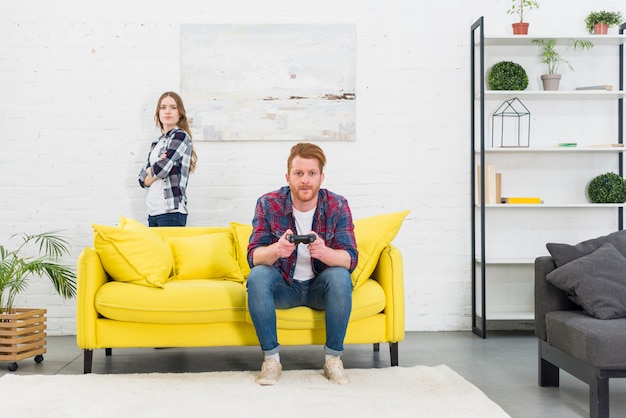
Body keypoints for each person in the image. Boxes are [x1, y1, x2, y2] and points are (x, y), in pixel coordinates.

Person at [246, 142, 358, 386]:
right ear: (288, 177)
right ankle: (271, 360)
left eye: (311, 173)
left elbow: (350, 259)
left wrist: (325, 252)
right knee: (257, 277)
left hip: (320, 289)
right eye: (299, 173)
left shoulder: (337, 205)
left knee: (340, 276)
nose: (305, 180)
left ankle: (333, 359)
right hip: (284, 287)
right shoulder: (268, 203)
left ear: (321, 177)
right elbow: (253, 257)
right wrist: (277, 249)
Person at [138, 92, 197, 227]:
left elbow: (161, 170)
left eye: (173, 107)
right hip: (152, 212)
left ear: (180, 113)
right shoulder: (156, 143)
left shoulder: (181, 136)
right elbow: (142, 180)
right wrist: (157, 166)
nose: (167, 111)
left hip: (171, 212)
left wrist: (151, 170)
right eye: (163, 107)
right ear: (158, 112)